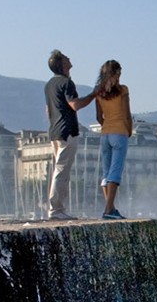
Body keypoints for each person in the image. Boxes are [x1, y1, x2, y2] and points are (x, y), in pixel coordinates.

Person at [44, 49, 98, 220]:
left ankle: (58, 208)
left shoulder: (49, 85)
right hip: (67, 131)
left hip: (54, 131)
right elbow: (74, 105)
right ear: (62, 64)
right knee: (62, 171)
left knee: (58, 170)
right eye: (66, 58)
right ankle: (56, 210)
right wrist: (93, 95)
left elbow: (48, 111)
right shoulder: (67, 83)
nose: (69, 58)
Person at [94, 59, 133, 219]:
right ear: (116, 74)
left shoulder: (98, 92)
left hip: (105, 134)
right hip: (119, 133)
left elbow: (98, 117)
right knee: (115, 172)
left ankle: (110, 208)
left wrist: (107, 125)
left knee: (106, 171)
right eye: (119, 74)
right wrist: (128, 130)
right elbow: (126, 114)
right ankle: (108, 210)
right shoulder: (122, 90)